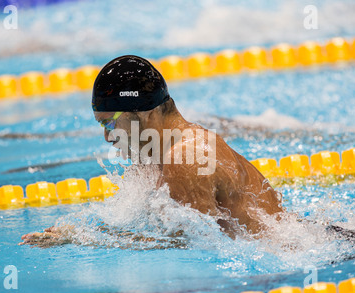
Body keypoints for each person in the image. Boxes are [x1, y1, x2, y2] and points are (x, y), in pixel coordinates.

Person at [20, 55, 284, 246]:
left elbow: (194, 243)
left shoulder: (184, 157)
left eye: (109, 122)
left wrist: (82, 240)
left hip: (280, 261)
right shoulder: (163, 151)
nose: (107, 136)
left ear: (141, 114)